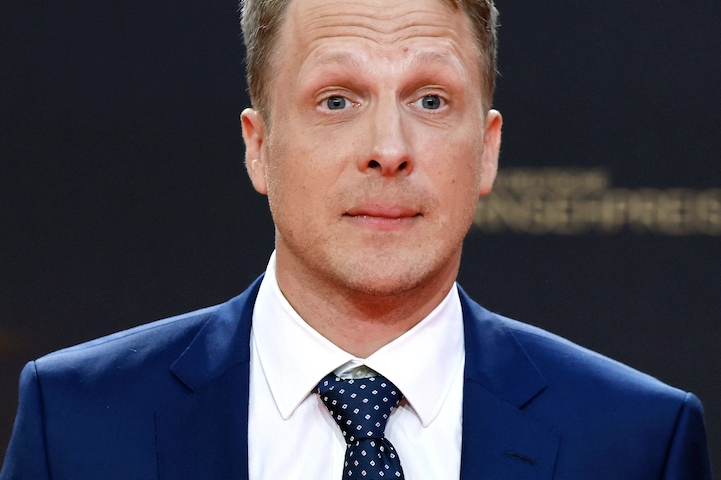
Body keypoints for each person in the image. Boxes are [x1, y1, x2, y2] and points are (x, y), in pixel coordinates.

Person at [1, 0, 714, 478]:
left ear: (487, 150)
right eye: (336, 100)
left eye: (430, 100)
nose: (388, 149)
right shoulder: (78, 423)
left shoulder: (637, 439)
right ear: (259, 146)